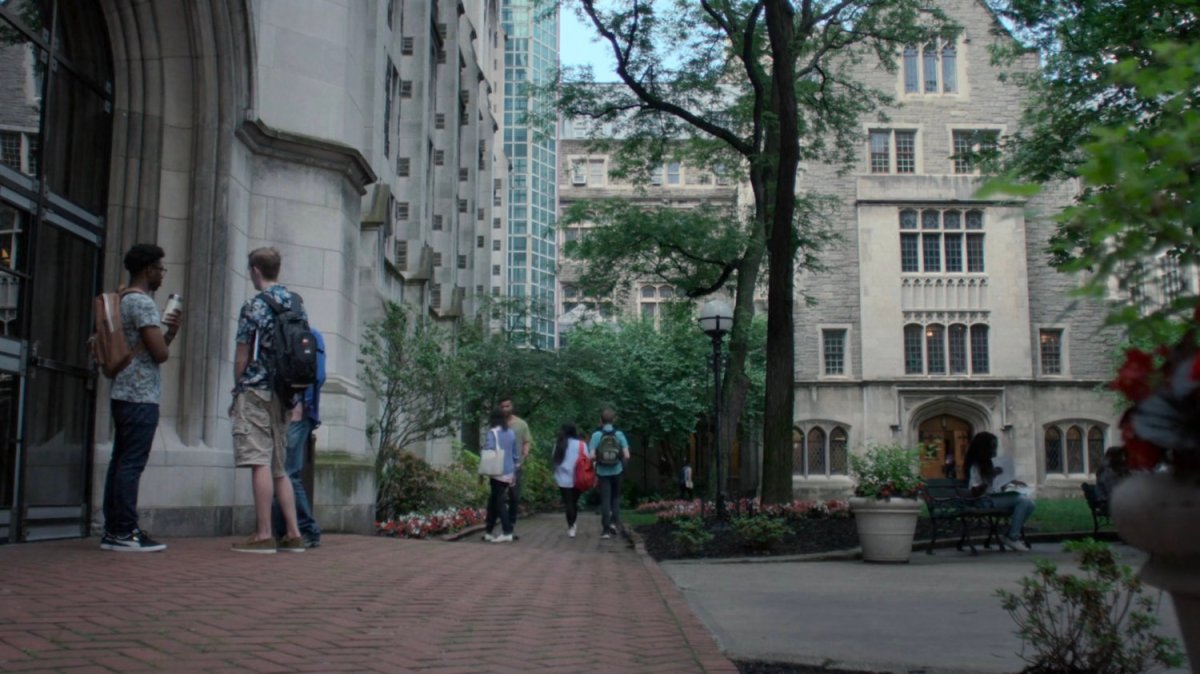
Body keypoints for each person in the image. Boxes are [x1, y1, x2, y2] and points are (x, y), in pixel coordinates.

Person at [100, 244, 182, 552]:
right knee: (132, 463)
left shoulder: (120, 299)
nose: (162, 275)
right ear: (148, 269)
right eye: (160, 269)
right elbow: (158, 353)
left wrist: (166, 334)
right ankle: (124, 530)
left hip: (121, 391)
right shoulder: (144, 304)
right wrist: (170, 333)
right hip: (140, 394)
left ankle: (113, 529)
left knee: (119, 461)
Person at [229, 247, 306, 554]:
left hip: (258, 389)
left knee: (258, 461)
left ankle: (263, 534)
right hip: (286, 392)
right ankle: (293, 532)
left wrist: (238, 388)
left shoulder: (254, 306)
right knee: (279, 466)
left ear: (255, 270)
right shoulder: (297, 303)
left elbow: (242, 353)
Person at [271, 322, 325, 549]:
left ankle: (305, 530)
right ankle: (284, 530)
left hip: (295, 413)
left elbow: (318, 375)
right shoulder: (305, 334)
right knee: (284, 472)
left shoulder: (306, 335)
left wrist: (302, 405)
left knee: (287, 473)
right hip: (291, 412)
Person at [963, 431, 1035, 552]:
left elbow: (998, 484)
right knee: (1023, 501)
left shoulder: (993, 463)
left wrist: (1011, 482)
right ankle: (1012, 537)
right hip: (983, 501)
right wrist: (990, 478)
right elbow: (975, 492)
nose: (995, 450)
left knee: (1030, 504)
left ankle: (1011, 534)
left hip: (995, 497)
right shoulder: (975, 466)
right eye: (992, 446)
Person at [588, 408, 630, 539]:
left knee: (605, 499)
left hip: (602, 472)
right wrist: (621, 463)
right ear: (614, 420)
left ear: (600, 421)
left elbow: (592, 456)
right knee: (615, 498)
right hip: (617, 471)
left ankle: (605, 530)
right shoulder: (619, 434)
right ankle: (613, 523)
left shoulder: (596, 435)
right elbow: (627, 455)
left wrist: (598, 460)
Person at [482, 407, 518, 543]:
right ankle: (489, 531)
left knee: (498, 501)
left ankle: (507, 531)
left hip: (497, 471)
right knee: (493, 500)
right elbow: (515, 454)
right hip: (509, 471)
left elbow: (489, 448)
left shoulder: (492, 433)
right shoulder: (511, 433)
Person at [499, 396, 532, 535]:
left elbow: (527, 441)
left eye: (507, 406)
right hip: (499, 466)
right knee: (498, 497)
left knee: (514, 497)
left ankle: (510, 525)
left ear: (512, 407)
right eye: (502, 406)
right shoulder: (497, 424)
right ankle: (504, 527)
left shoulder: (521, 424)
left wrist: (525, 451)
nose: (505, 409)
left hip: (515, 465)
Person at [552, 423, 588, 538]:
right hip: (578, 478)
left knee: (568, 503)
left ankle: (571, 526)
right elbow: (587, 459)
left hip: (563, 478)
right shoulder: (581, 444)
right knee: (574, 502)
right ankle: (572, 524)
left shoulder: (559, 444)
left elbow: (554, 460)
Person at [1094, 445, 1129, 510]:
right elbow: (1112, 490)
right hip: (1108, 502)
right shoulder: (1107, 471)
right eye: (1121, 456)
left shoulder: (1118, 470)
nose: (1123, 459)